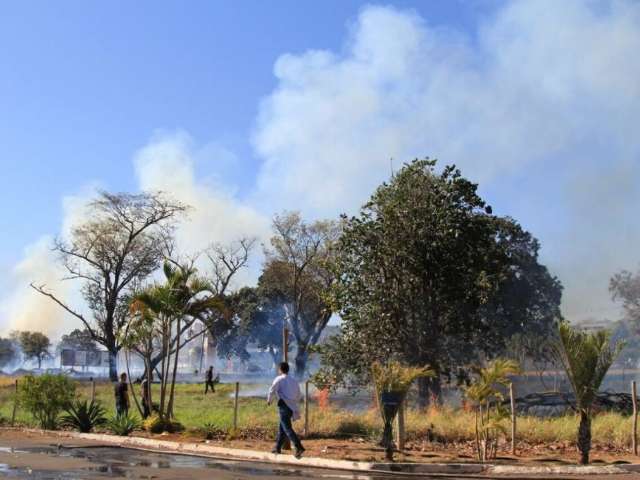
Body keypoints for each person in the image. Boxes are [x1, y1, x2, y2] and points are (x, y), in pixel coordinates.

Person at [267, 362, 305, 458]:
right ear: (288, 369)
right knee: (282, 428)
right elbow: (299, 394)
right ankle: (277, 448)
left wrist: (269, 400)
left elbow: (272, 389)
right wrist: (294, 402)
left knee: (287, 428)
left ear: (280, 369)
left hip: (283, 405)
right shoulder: (293, 380)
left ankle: (298, 446)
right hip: (291, 406)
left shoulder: (279, 379)